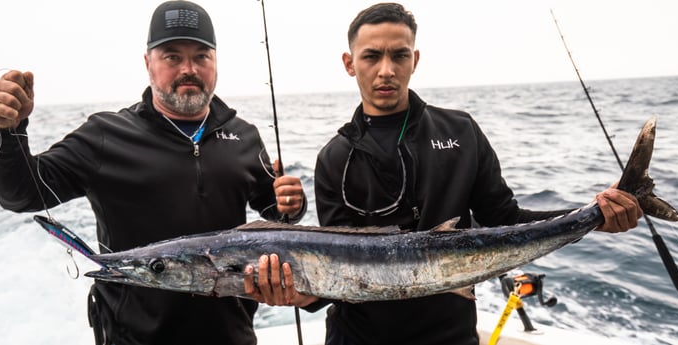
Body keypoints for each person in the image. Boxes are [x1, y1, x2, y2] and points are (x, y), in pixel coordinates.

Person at [245, 3, 642, 345]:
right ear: (350, 64)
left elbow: (505, 221)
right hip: (357, 337)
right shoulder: (334, 156)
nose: (386, 70)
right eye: (371, 56)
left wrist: (592, 217)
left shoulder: (460, 131)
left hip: (449, 334)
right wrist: (302, 296)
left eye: (399, 55)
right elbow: (339, 269)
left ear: (414, 60)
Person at [0, 1, 307, 345]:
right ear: (148, 63)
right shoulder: (105, 135)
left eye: (201, 56)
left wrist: (292, 204)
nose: (188, 68)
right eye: (172, 56)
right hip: (132, 338)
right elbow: (22, 194)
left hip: (232, 336)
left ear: (216, 62)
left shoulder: (244, 135)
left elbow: (274, 209)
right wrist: (9, 132)